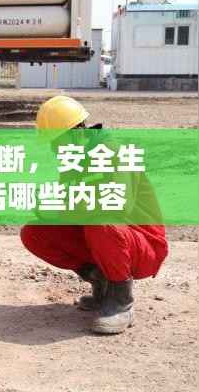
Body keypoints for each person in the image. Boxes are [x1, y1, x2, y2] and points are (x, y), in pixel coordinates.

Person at [20, 96, 168, 335]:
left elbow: (118, 205)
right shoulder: (73, 161)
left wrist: (69, 206)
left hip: (143, 245)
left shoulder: (114, 153)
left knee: (100, 222)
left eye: (56, 141)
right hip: (105, 236)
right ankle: (102, 281)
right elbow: (71, 207)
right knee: (35, 232)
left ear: (77, 133)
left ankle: (121, 301)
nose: (54, 149)